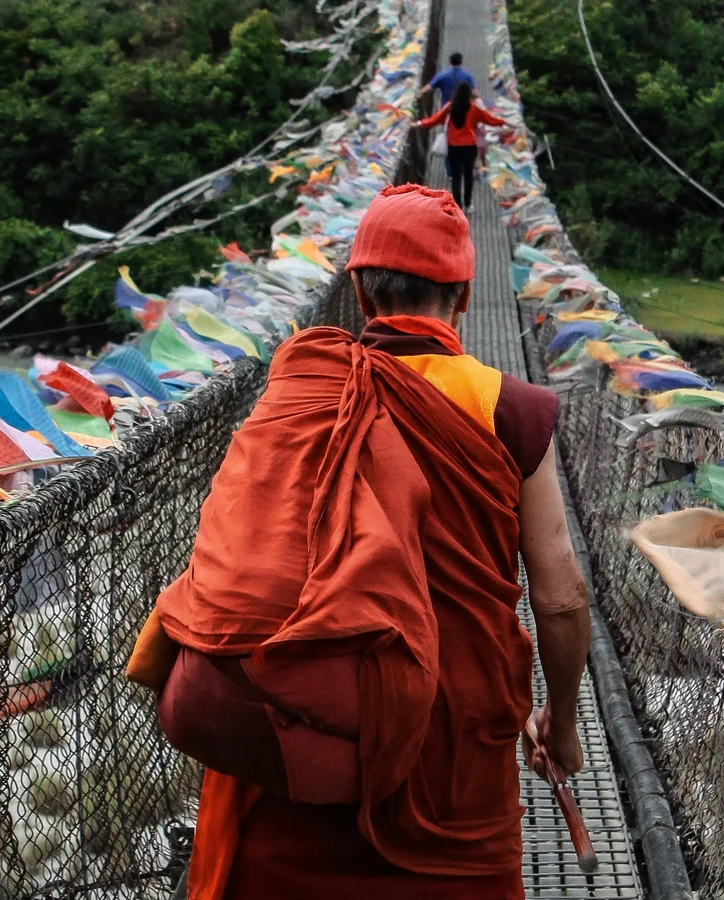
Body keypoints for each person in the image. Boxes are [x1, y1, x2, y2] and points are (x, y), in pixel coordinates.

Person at [128, 184, 590, 899]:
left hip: (306, 730)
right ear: (463, 294)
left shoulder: (301, 389)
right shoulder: (515, 409)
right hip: (455, 751)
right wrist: (561, 723)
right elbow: (561, 599)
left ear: (360, 292)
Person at [418, 81, 506, 213]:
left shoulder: (450, 107)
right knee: (468, 175)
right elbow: (489, 119)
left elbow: (434, 119)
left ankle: (457, 205)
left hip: (453, 146)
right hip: (470, 146)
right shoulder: (474, 108)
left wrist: (420, 123)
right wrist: (504, 122)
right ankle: (469, 204)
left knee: (456, 177)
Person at [420, 52, 477, 178]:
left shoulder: (443, 75)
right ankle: (464, 167)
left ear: (450, 62)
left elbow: (429, 87)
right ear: (461, 61)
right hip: (466, 112)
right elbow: (475, 93)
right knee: (465, 137)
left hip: (447, 113)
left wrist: (418, 94)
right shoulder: (467, 76)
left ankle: (451, 171)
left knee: (449, 140)